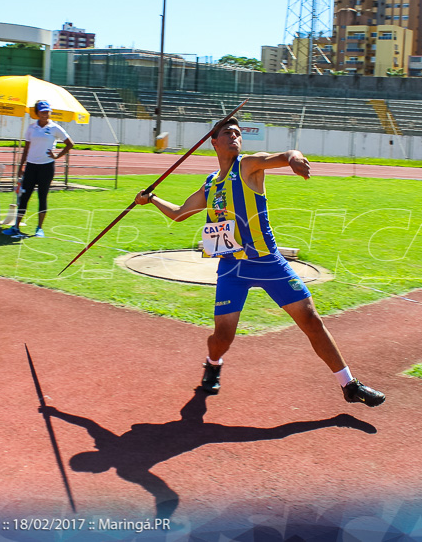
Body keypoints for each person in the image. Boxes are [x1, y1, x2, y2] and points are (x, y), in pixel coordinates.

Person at [134, 116, 385, 407]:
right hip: (232, 268)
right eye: (227, 132)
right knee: (222, 337)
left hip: (269, 263)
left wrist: (295, 160)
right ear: (213, 142)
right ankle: (213, 363)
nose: (234, 136)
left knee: (311, 319)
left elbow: (283, 155)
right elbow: (179, 213)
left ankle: (349, 385)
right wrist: (150, 199)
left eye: (238, 133)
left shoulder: (248, 166)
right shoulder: (210, 186)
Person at [3, 100, 74, 238]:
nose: (45, 114)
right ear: (37, 113)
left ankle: (39, 229)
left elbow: (70, 144)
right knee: (24, 197)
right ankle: (16, 226)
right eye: (42, 112)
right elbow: (26, 148)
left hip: (46, 167)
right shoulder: (31, 128)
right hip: (31, 166)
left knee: (42, 197)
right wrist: (21, 166)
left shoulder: (55, 128)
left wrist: (57, 155)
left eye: (47, 111)